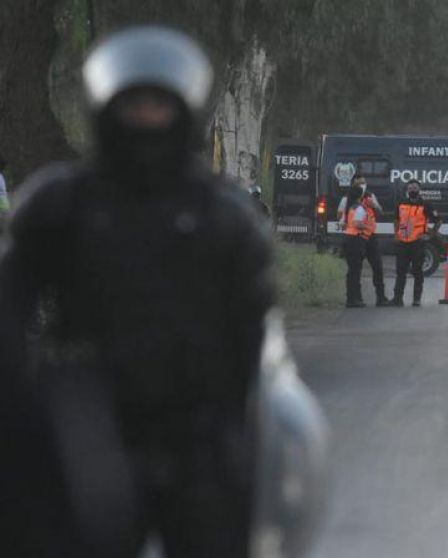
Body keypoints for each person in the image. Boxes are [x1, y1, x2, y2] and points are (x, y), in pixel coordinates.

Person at [0, 27, 274, 557]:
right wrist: (28, 406)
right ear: (107, 107)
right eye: (135, 104)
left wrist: (246, 431)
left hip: (198, 434)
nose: (147, 118)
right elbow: (8, 308)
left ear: (184, 110)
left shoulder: (225, 216)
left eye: (158, 105)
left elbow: (258, 333)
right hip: (85, 428)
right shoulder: (60, 205)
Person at [338, 176, 388, 306]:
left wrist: (375, 205)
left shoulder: (370, 197)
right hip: (357, 237)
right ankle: (356, 297)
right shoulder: (346, 199)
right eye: (359, 183)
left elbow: (381, 211)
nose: (362, 185)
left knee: (377, 266)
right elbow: (341, 217)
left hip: (370, 237)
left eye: (364, 182)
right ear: (353, 184)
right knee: (355, 269)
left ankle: (381, 297)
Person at [392, 179, 440, 307]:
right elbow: (396, 220)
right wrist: (396, 234)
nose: (412, 189)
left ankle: (416, 299)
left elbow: (438, 221)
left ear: (419, 190)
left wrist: (430, 235)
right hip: (402, 242)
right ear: (407, 190)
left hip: (418, 243)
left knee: (417, 271)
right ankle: (397, 298)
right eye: (410, 187)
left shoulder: (426, 205)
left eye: (415, 187)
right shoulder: (401, 203)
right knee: (400, 271)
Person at [342, 183, 371, 308]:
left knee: (351, 271)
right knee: (355, 271)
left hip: (349, 239)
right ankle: (353, 299)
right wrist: (368, 226)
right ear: (361, 195)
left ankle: (351, 297)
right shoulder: (359, 208)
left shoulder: (351, 207)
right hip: (355, 239)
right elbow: (357, 223)